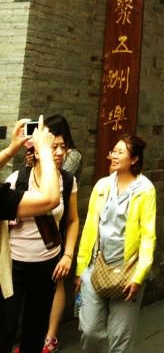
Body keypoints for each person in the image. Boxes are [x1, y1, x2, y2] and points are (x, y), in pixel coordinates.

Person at [0, 117, 79, 353]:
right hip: (13, 265)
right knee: (6, 329)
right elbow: (49, 200)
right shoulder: (17, 179)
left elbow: (72, 220)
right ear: (36, 150)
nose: (59, 152)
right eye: (52, 146)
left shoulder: (68, 181)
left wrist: (67, 255)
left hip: (46, 265)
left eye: (63, 146)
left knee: (35, 331)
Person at [75, 134, 156, 353]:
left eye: (121, 152)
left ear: (134, 159)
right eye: (114, 151)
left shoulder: (145, 190)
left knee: (120, 339)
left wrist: (139, 275)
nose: (114, 155)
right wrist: (81, 268)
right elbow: (89, 227)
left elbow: (148, 236)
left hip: (128, 271)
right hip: (95, 267)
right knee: (90, 331)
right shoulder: (102, 186)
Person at [0, 118, 60, 309]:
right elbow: (50, 199)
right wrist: (44, 150)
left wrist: (11, 149)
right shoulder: (14, 182)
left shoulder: (68, 180)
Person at [43, 114, 83, 353]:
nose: (57, 151)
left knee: (56, 280)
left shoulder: (72, 156)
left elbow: (57, 182)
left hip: (57, 224)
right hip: (36, 226)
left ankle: (51, 337)